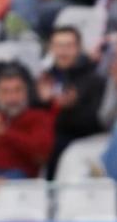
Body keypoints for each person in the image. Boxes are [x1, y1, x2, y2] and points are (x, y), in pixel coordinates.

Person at [39, 26, 104, 175]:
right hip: (44, 139)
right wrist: (42, 102)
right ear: (51, 48)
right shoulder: (44, 78)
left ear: (79, 48)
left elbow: (97, 121)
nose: (63, 52)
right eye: (58, 46)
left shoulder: (94, 80)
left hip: (79, 140)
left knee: (56, 144)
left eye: (68, 46)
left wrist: (70, 108)